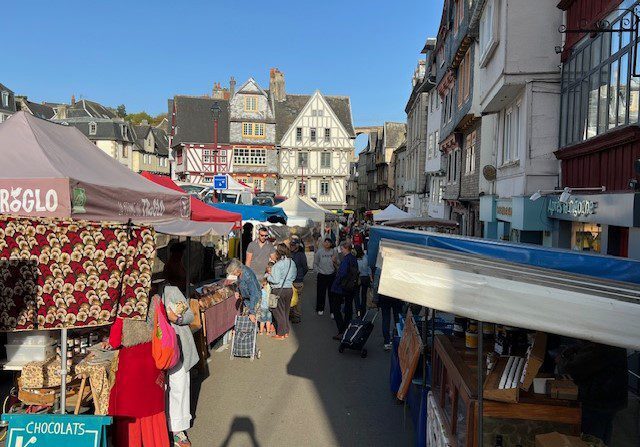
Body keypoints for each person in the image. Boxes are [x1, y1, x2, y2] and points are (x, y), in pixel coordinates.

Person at [108, 284, 169, 447]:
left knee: (129, 408)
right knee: (152, 406)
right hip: (153, 359)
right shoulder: (156, 300)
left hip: (131, 362)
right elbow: (162, 328)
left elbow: (114, 341)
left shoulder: (124, 305)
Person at [557, 341, 628, 445]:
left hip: (597, 400)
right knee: (603, 434)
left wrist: (562, 360)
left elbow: (575, 369)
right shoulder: (611, 340)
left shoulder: (602, 346)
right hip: (610, 398)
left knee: (591, 438)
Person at [162, 282, 198, 447]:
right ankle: (162, 427)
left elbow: (190, 315)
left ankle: (177, 430)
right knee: (160, 391)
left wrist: (177, 318)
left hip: (177, 347)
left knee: (179, 387)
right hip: (154, 349)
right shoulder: (138, 294)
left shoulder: (170, 291)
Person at [266, 243, 297, 340]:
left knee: (278, 312)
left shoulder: (278, 265)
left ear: (278, 253)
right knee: (286, 311)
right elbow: (294, 275)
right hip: (289, 289)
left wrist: (268, 276)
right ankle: (286, 331)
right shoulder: (292, 262)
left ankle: (281, 334)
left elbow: (275, 280)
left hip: (278, 290)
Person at [330, 242, 359, 339]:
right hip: (351, 286)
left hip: (342, 287)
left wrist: (336, 283)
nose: (341, 251)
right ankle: (347, 328)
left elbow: (342, 273)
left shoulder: (346, 259)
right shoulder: (353, 258)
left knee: (336, 308)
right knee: (348, 308)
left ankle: (342, 330)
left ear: (345, 248)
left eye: (342, 249)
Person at [314, 238, 337, 316]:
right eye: (325, 242)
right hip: (322, 275)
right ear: (323, 243)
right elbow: (315, 263)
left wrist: (335, 261)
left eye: (328, 242)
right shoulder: (319, 252)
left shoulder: (334, 251)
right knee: (321, 293)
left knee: (332, 294)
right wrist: (318, 272)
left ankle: (332, 311)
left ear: (331, 244)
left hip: (331, 275)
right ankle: (320, 308)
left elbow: (338, 263)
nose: (326, 243)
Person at [289, 238, 308, 324]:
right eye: (291, 245)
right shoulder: (289, 254)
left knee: (297, 299)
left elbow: (305, 268)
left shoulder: (301, 255)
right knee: (289, 298)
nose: (291, 246)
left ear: (297, 245)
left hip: (297, 281)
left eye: (293, 245)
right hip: (289, 280)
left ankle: (296, 315)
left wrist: (300, 276)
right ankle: (291, 314)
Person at [355, 246, 372, 317]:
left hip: (357, 278)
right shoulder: (366, 257)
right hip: (366, 278)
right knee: (364, 294)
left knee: (356, 295)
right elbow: (369, 268)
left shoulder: (355, 258)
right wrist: (371, 278)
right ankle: (363, 310)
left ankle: (358, 310)